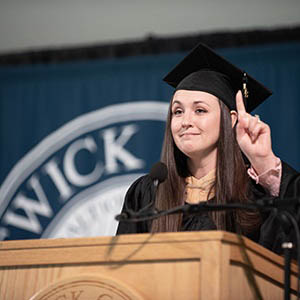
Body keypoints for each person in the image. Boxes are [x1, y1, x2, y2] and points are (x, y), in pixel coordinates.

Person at [117, 43, 300, 257]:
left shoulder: (255, 195)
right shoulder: (147, 194)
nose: (185, 121)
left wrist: (265, 162)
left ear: (231, 119)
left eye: (200, 110)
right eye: (177, 111)